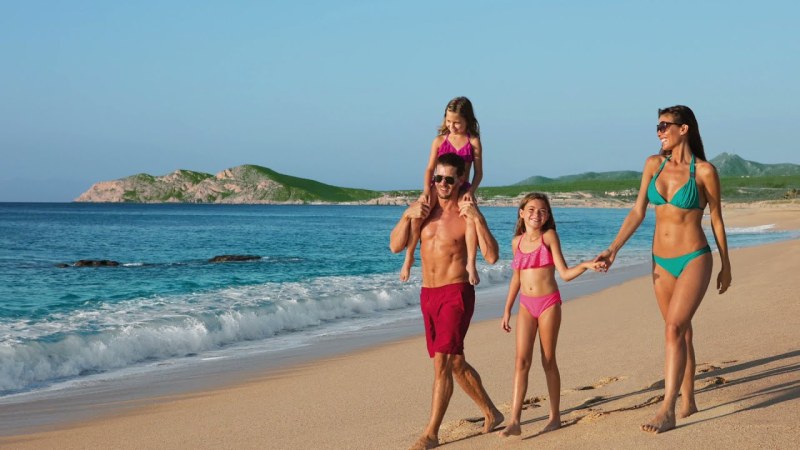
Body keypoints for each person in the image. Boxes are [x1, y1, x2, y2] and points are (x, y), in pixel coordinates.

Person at [593, 105, 732, 434]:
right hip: (660, 262)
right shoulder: (653, 164)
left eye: (665, 125)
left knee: (673, 328)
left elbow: (716, 218)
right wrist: (613, 249)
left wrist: (726, 265)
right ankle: (689, 398)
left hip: (694, 257)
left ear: (684, 129)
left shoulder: (705, 172)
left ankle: (667, 408)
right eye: (657, 126)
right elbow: (638, 211)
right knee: (681, 331)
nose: (659, 131)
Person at [390, 152, 502, 449]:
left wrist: (478, 219)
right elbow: (395, 246)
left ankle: (431, 433)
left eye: (448, 179)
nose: (441, 184)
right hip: (428, 294)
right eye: (437, 178)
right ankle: (492, 412)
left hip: (456, 292)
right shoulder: (424, 210)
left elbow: (492, 255)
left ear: (461, 179)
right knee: (455, 362)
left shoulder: (467, 213)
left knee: (443, 363)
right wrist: (405, 215)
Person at [498, 193, 603, 438]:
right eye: (531, 209)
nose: (537, 214)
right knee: (520, 361)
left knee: (548, 359)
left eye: (543, 211)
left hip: (548, 304)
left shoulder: (549, 237)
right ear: (521, 213)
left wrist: (587, 265)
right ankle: (514, 420)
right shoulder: (516, 242)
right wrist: (506, 310)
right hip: (525, 305)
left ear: (548, 216)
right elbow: (516, 278)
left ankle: (554, 417)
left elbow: (564, 274)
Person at [400, 97, 484, 285]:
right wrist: (426, 191)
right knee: (418, 216)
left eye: (457, 123)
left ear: (467, 121)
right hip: (437, 186)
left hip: (462, 188)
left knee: (470, 218)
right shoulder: (439, 141)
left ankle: (471, 263)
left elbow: (479, 172)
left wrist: (472, 191)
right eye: (448, 121)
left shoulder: (473, 141)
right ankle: (409, 257)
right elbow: (429, 169)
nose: (452, 126)